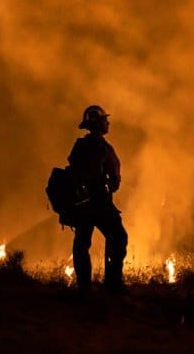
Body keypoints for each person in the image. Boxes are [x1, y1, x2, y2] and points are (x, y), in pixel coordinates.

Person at [68, 105, 128, 294]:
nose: (108, 122)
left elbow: (73, 167)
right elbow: (115, 179)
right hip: (100, 203)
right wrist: (110, 186)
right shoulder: (105, 148)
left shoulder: (79, 145)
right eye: (105, 120)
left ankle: (84, 287)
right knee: (118, 237)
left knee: (81, 244)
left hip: (82, 204)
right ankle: (112, 284)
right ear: (98, 123)